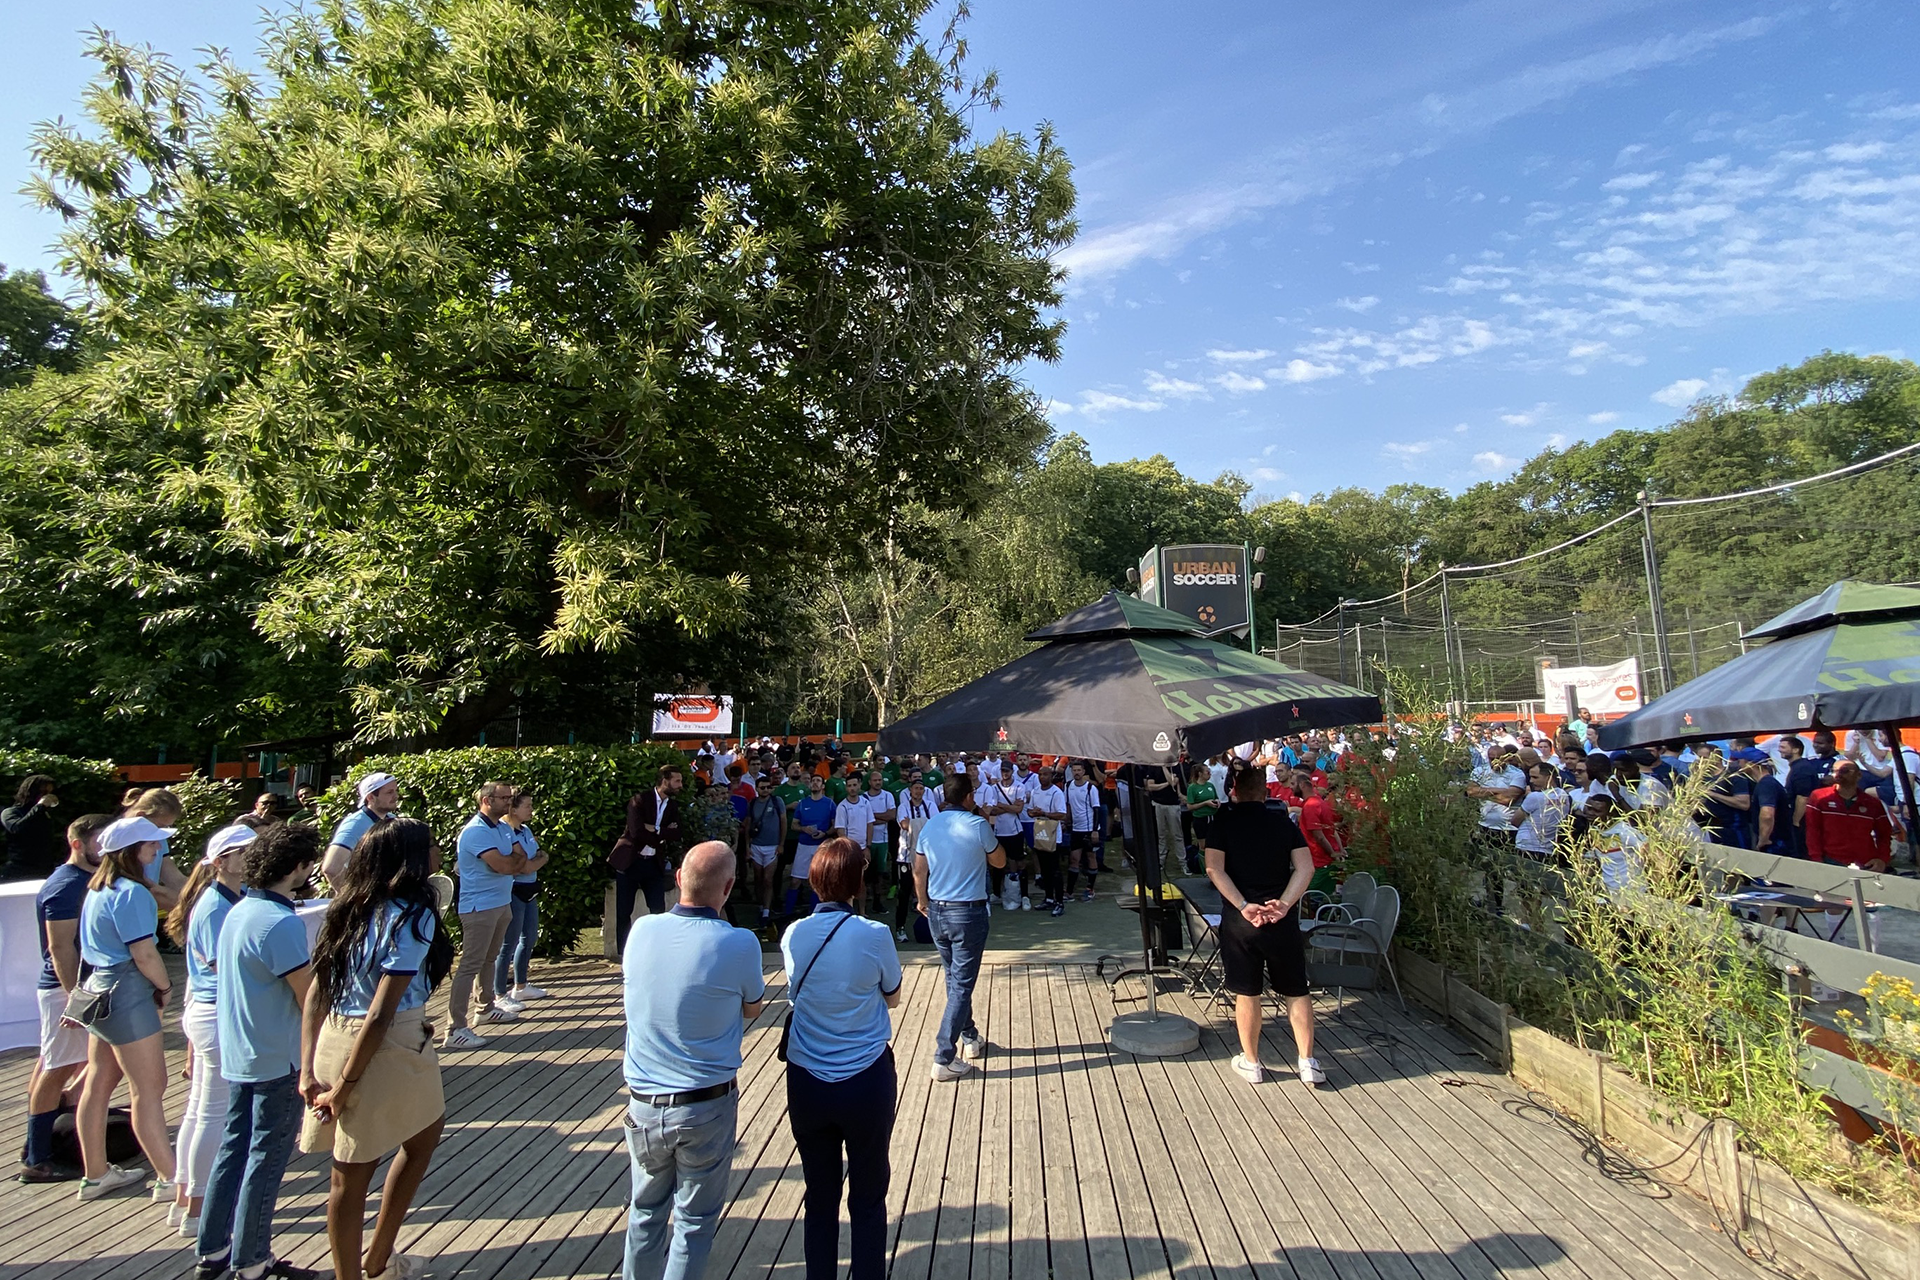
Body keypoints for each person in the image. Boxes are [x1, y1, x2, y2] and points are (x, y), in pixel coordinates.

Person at [303, 817, 452, 1280]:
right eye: (430, 845)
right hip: (384, 1042)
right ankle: (373, 1263)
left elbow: (316, 994)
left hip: (332, 1035)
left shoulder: (347, 907)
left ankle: (370, 1263)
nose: (438, 852)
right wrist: (346, 1085)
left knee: (350, 1168)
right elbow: (381, 1013)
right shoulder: (413, 913)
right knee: (379, 1158)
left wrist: (308, 1068)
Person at [621, 841, 766, 1280]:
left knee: (644, 1213)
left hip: (643, 1102)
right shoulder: (740, 942)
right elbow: (752, 1007)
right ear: (728, 888)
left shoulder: (642, 930)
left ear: (679, 880)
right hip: (705, 1102)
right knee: (695, 1222)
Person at [194, 823, 321, 1280]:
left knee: (234, 1151)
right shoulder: (279, 923)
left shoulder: (240, 910)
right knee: (265, 1161)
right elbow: (308, 999)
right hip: (277, 1055)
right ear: (298, 868)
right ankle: (251, 1262)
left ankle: (212, 1250)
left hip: (242, 1051)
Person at [779, 838, 903, 1280]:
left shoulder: (793, 934)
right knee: (868, 1195)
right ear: (857, 882)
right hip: (865, 1076)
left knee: (820, 1195)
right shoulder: (874, 934)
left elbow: (797, 991)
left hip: (808, 1079)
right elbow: (892, 995)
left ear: (814, 881)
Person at [70, 814, 181, 1200]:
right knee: (149, 1090)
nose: (156, 850)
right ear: (133, 851)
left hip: (99, 992)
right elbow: (145, 953)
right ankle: (170, 1178)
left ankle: (96, 1173)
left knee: (98, 1084)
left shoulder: (98, 888)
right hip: (127, 993)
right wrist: (165, 987)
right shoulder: (132, 892)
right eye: (150, 845)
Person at [1204, 764, 1323, 1087]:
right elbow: (1305, 867)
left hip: (1242, 919)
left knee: (1247, 991)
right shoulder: (1281, 821)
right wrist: (1284, 903)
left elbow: (1214, 869)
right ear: (1266, 792)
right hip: (1279, 917)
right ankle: (1307, 1061)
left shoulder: (1223, 822)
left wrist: (1242, 905)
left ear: (1234, 791)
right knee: (1297, 989)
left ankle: (1253, 1062)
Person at [167, 823, 259, 1238]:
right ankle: (199, 1208)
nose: (253, 858)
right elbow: (228, 969)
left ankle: (186, 1198)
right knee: (213, 1113)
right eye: (245, 852)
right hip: (216, 1015)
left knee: (201, 1109)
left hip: (208, 1013)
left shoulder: (222, 898)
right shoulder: (215, 906)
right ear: (222, 862)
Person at [20, 811, 114, 1183]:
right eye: (98, 841)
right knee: (56, 1067)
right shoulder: (65, 885)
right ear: (77, 844)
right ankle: (37, 1157)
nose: (105, 848)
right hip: (65, 991)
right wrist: (76, 997)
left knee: (57, 1063)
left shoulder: (86, 880)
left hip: (77, 989)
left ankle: (39, 1145)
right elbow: (60, 948)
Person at [912, 774, 1005, 1081]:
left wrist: (922, 900)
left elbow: (919, 869)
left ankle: (970, 1036)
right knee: (961, 984)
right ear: (968, 797)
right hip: (968, 911)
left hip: (937, 909)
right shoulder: (978, 825)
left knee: (954, 979)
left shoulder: (930, 825)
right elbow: (1000, 861)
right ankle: (943, 1056)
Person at [444, 781, 528, 1050]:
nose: (509, 803)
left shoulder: (503, 827)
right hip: (479, 906)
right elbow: (506, 865)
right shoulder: (475, 832)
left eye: (510, 798)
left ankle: (485, 1007)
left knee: (488, 959)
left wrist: (515, 863)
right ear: (486, 800)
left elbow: (522, 857)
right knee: (470, 964)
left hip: (501, 902)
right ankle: (455, 1028)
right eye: (504, 798)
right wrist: (514, 864)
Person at [610, 764, 686, 947]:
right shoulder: (640, 800)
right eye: (677, 781)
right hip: (631, 861)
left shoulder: (673, 806)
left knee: (658, 909)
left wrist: (656, 829)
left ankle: (656, 947)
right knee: (623, 911)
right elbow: (636, 831)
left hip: (653, 863)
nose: (680, 785)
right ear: (664, 780)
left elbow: (677, 833)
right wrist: (663, 834)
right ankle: (623, 951)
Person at [497, 791, 550, 1005]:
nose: (531, 810)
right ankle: (499, 991)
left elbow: (540, 856)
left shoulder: (526, 830)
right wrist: (535, 861)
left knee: (529, 937)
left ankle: (521, 985)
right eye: (527, 806)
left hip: (530, 889)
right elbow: (522, 865)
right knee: (508, 943)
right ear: (514, 809)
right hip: (514, 890)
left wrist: (536, 861)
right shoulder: (506, 832)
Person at [1805, 759, 1895, 871]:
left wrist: (1882, 860)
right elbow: (1813, 830)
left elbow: (1884, 834)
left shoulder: (1872, 803)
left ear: (1859, 775)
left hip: (1865, 863)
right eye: (1834, 771)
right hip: (1830, 860)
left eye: (1844, 771)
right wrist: (1816, 859)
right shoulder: (1819, 797)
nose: (1838, 774)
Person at [324, 772, 401, 886]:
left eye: (395, 791)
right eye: (389, 792)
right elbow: (331, 868)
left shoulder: (392, 819)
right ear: (370, 797)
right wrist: (354, 898)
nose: (396, 796)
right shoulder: (355, 824)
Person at [894, 776, 940, 941]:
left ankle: (933, 927)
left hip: (927, 855)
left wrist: (915, 823)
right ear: (910, 791)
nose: (918, 792)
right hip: (906, 855)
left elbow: (936, 825)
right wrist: (924, 823)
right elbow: (904, 825)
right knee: (904, 893)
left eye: (921, 789)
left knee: (930, 891)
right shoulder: (903, 807)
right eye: (915, 789)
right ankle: (900, 928)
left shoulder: (931, 805)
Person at [974, 766, 1026, 909]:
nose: (1005, 773)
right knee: (997, 863)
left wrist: (1002, 806)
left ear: (1012, 772)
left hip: (1015, 830)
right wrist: (1010, 807)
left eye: (1007, 771)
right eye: (1003, 771)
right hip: (998, 831)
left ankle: (1020, 895)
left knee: (1016, 862)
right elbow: (992, 810)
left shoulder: (1019, 787)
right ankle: (996, 893)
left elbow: (1018, 809)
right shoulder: (993, 788)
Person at [788, 773, 837, 918]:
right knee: (795, 880)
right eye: (813, 781)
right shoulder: (802, 804)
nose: (815, 783)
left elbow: (835, 826)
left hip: (821, 846)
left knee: (818, 881)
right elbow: (794, 824)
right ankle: (788, 914)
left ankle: (814, 915)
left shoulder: (829, 804)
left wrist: (825, 833)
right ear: (809, 785)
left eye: (818, 781)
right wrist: (804, 829)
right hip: (803, 845)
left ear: (822, 786)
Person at [1024, 766, 1069, 917]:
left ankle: (1059, 901)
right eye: (1040, 774)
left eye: (1045, 774)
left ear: (1051, 776)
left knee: (1055, 870)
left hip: (1054, 834)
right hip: (1040, 832)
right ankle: (1048, 898)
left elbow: (1062, 814)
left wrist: (1044, 813)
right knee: (1044, 869)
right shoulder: (1035, 791)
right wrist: (1033, 812)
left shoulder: (1056, 792)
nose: (1042, 777)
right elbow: (1029, 811)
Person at [744, 774, 788, 925]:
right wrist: (747, 847)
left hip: (773, 846)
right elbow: (748, 826)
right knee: (758, 878)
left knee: (768, 879)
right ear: (757, 789)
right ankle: (760, 905)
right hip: (756, 845)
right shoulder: (753, 803)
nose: (766, 790)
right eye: (762, 788)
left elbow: (784, 822)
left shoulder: (777, 802)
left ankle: (766, 911)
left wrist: (781, 844)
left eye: (768, 787)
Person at [1, 774, 63, 881]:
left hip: (44, 869)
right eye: (43, 793)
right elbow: (17, 828)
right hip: (19, 869)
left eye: (49, 793)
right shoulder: (11, 812)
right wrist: (40, 806)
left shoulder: (43, 814)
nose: (46, 797)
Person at [1510, 762, 1571, 862]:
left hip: (1527, 846)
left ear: (1549, 777)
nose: (1531, 781)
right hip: (1548, 848)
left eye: (1535, 777)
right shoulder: (1564, 795)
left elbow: (1515, 820)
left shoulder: (1535, 797)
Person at [1467, 745, 1526, 848]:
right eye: (1491, 758)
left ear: (1505, 758)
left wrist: (1482, 792)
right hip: (1484, 824)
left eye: (1499, 758)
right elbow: (1471, 792)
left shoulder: (1517, 774)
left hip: (1508, 828)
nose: (1495, 761)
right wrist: (1502, 791)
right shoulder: (1479, 771)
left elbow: (1509, 799)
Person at [1064, 761, 1105, 903]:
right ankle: (1069, 891)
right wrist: (1066, 821)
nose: (1076, 772)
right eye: (1074, 770)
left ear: (1083, 772)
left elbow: (1096, 809)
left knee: (1091, 857)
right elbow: (1068, 805)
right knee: (1074, 859)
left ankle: (1090, 889)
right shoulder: (1068, 786)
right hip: (1076, 829)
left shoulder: (1090, 788)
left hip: (1088, 829)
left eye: (1079, 770)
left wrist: (1095, 830)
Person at [1184, 763, 1219, 878]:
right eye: (1207, 772)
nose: (1209, 774)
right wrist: (1205, 803)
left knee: (1214, 843)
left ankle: (1215, 867)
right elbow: (1190, 806)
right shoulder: (1192, 788)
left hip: (1212, 817)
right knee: (1203, 845)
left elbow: (1215, 797)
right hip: (1200, 818)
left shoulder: (1210, 785)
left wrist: (1217, 802)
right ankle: (1204, 869)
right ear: (1200, 774)